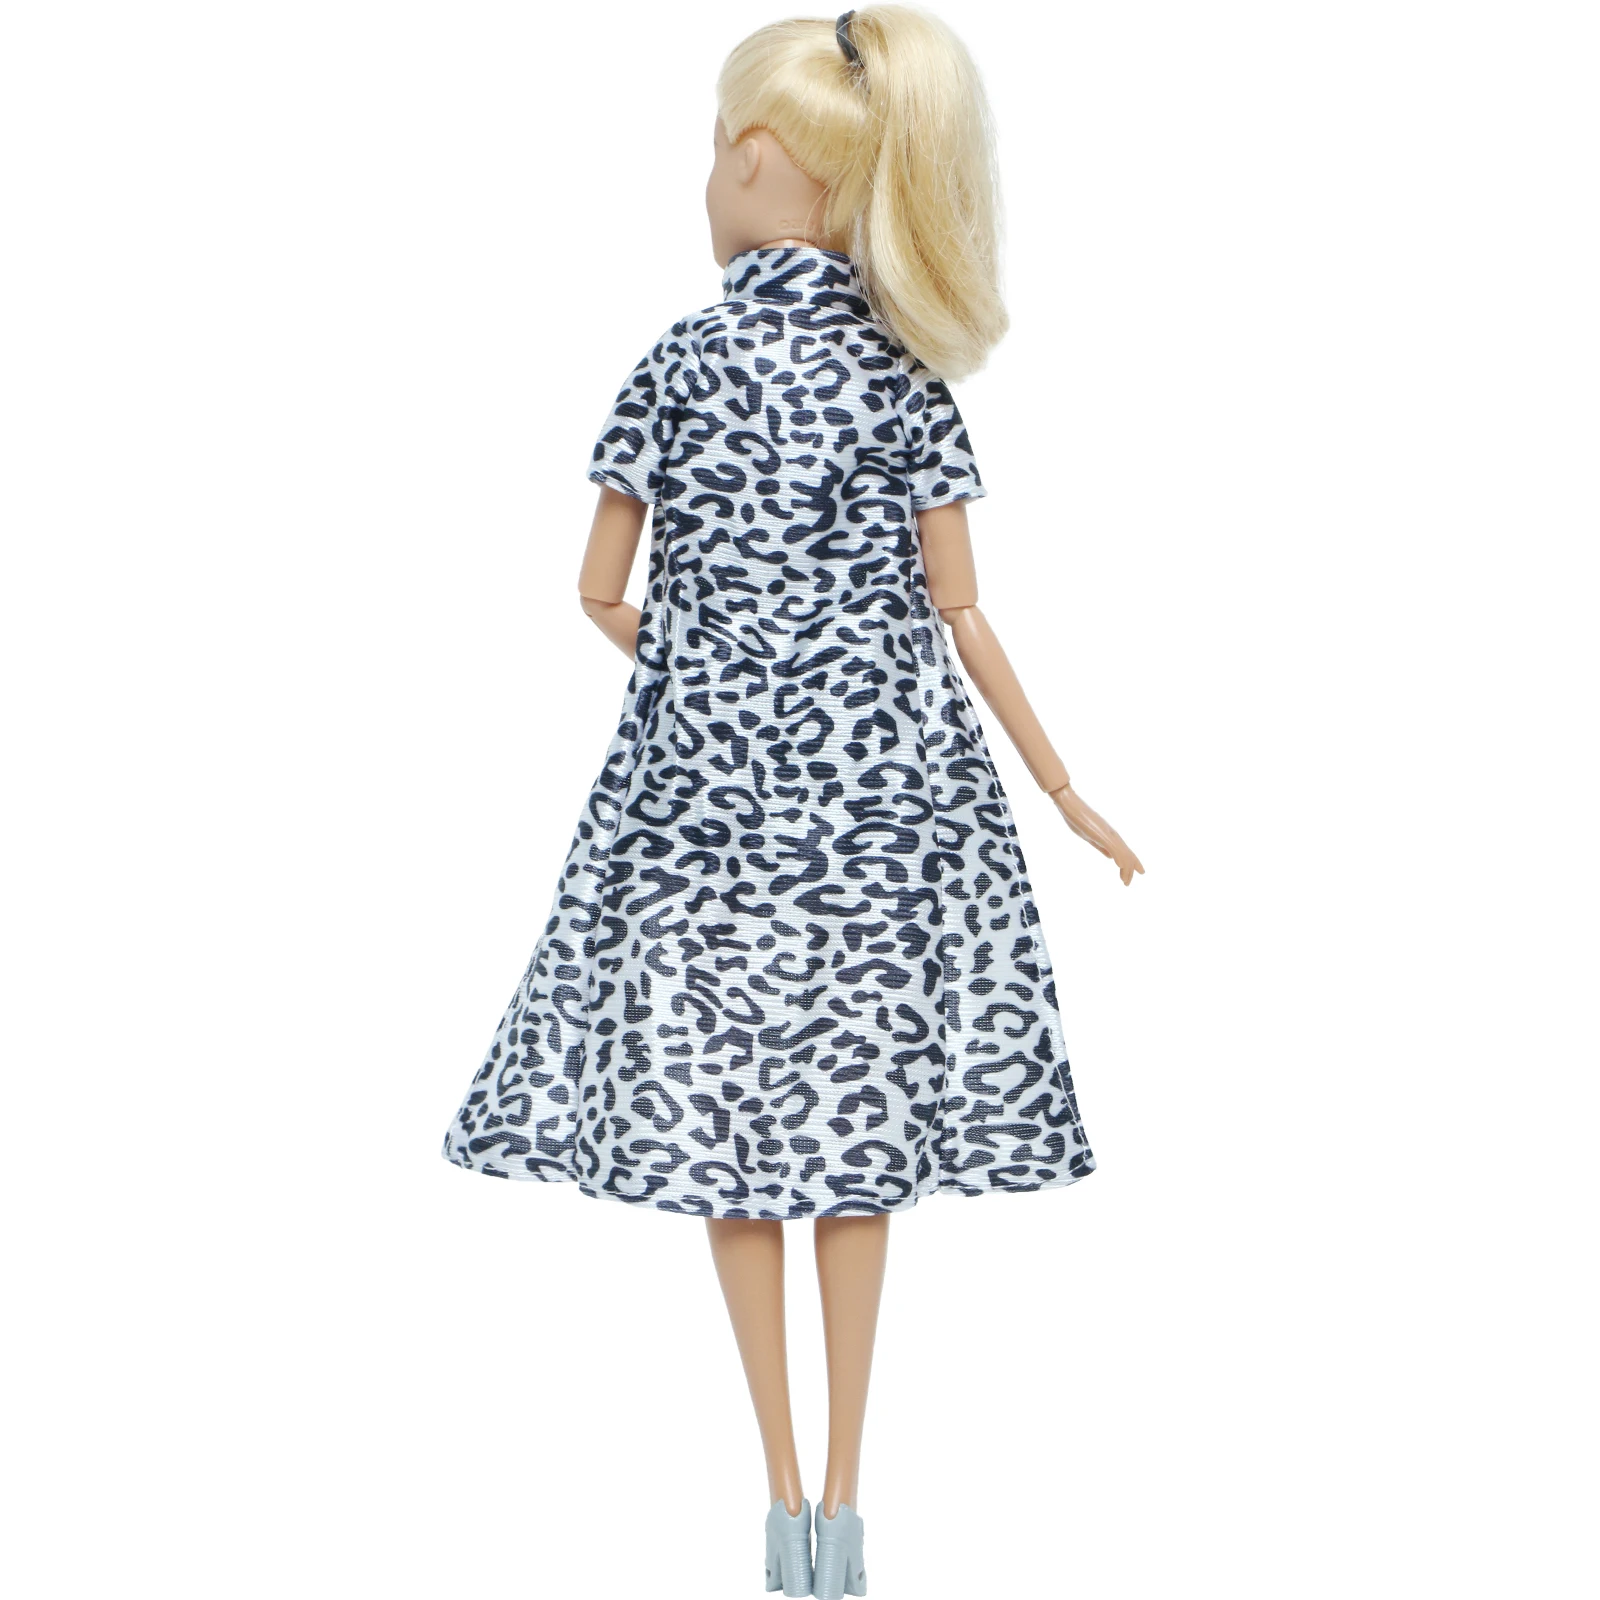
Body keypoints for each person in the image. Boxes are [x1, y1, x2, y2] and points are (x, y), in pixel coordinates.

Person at [441, 8, 1142, 1594]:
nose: (706, 177)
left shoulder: (676, 365)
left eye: (714, 149)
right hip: (888, 816)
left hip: (705, 820)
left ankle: (781, 1509)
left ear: (763, 160)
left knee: (737, 1146)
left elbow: (596, 592)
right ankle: (846, 1498)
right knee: (856, 1144)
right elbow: (964, 615)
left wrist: (709, 676)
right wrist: (1059, 787)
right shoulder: (902, 376)